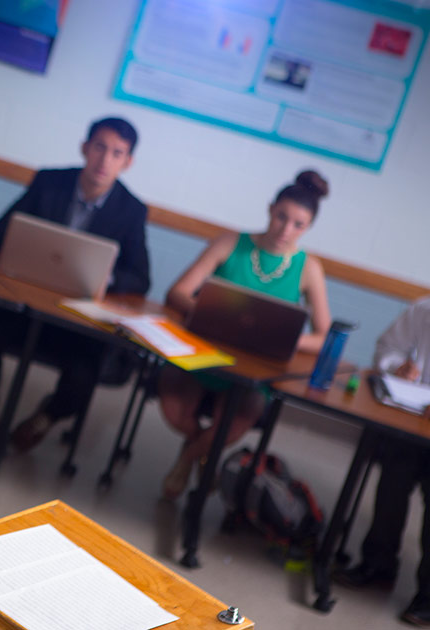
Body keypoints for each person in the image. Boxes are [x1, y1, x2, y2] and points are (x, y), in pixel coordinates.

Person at [0, 117, 150, 451]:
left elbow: (141, 278)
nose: (105, 160)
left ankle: (48, 416)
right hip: (25, 304)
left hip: (76, 319)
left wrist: (106, 277)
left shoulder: (131, 210)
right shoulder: (50, 182)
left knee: (89, 361)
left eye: (117, 153)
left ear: (127, 162)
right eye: (99, 147)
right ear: (85, 148)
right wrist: (28, 247)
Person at [157, 170, 331, 500]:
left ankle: (187, 459)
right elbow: (177, 292)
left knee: (233, 421)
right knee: (175, 410)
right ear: (269, 210)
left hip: (255, 367)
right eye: (281, 217)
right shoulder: (230, 243)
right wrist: (208, 312)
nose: (286, 229)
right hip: (202, 352)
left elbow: (325, 336)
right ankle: (203, 455)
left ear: (308, 228)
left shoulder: (309, 268)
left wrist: (289, 338)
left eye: (298, 224)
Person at [334, 297, 430, 626]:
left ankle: (428, 596)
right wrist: (397, 366)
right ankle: (378, 563)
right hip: (412, 417)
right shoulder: (424, 309)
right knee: (393, 477)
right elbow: (388, 348)